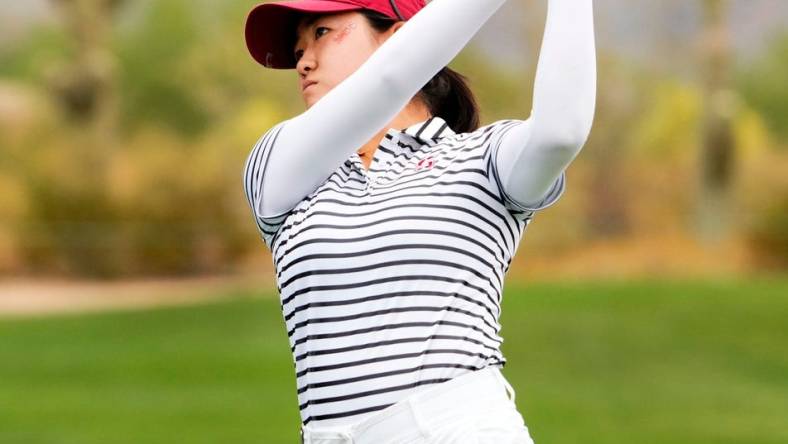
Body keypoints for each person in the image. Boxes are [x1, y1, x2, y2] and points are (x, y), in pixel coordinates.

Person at [242, 0, 596, 442]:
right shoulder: (276, 167)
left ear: (398, 36)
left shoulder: (479, 158)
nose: (304, 62)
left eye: (322, 33)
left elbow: (560, 133)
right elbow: (388, 79)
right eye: (297, 52)